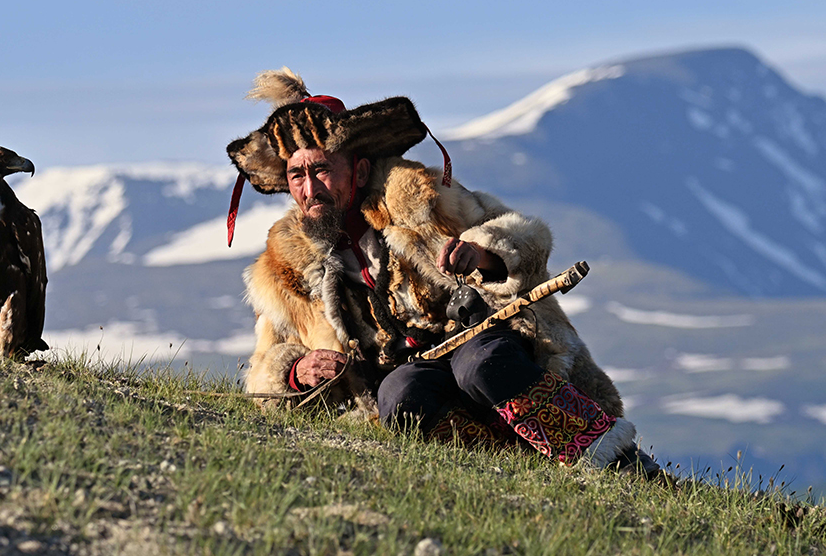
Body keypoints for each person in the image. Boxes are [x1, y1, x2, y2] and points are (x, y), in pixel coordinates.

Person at [225, 67, 660, 475]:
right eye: (296, 175)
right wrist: (294, 373)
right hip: (412, 375)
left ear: (357, 170)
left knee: (480, 363)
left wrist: (483, 254)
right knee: (400, 394)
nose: (308, 187)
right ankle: (508, 473)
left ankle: (615, 462)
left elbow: (529, 239)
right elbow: (264, 370)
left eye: (321, 169)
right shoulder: (285, 268)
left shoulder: (425, 201)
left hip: (491, 343)